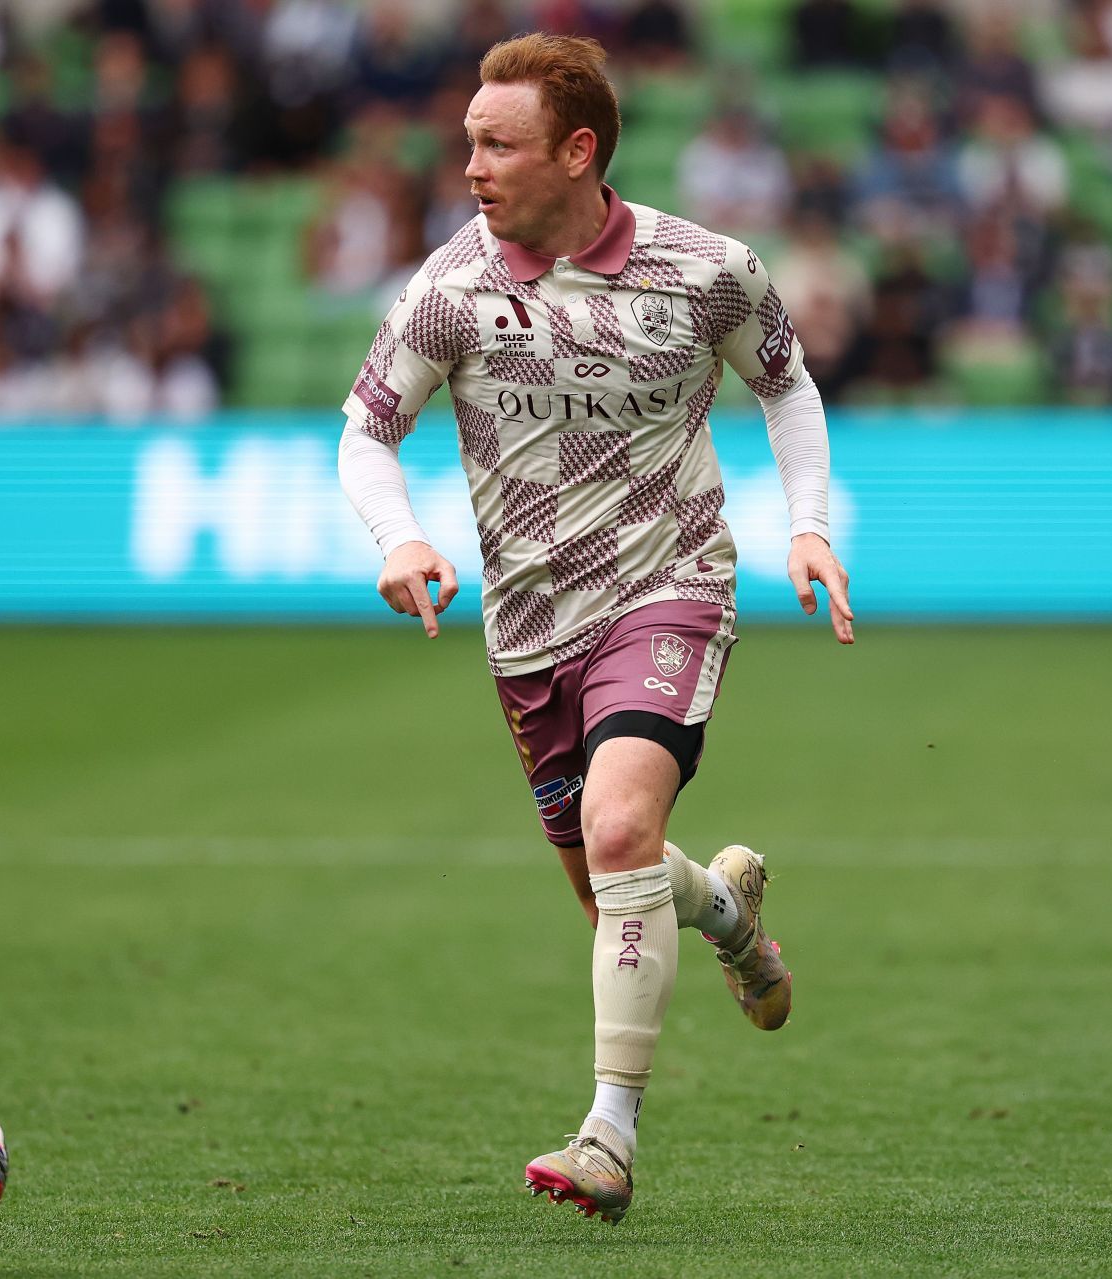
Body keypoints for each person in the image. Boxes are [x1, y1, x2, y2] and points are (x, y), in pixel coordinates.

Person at [337, 33, 853, 1226]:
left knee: (621, 825)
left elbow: (784, 382)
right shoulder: (450, 289)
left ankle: (607, 1136)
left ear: (577, 151)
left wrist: (808, 525)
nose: (469, 165)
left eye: (495, 143)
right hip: (527, 630)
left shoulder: (706, 269)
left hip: (669, 583)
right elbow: (367, 432)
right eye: (468, 140)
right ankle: (726, 913)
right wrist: (399, 540)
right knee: (610, 886)